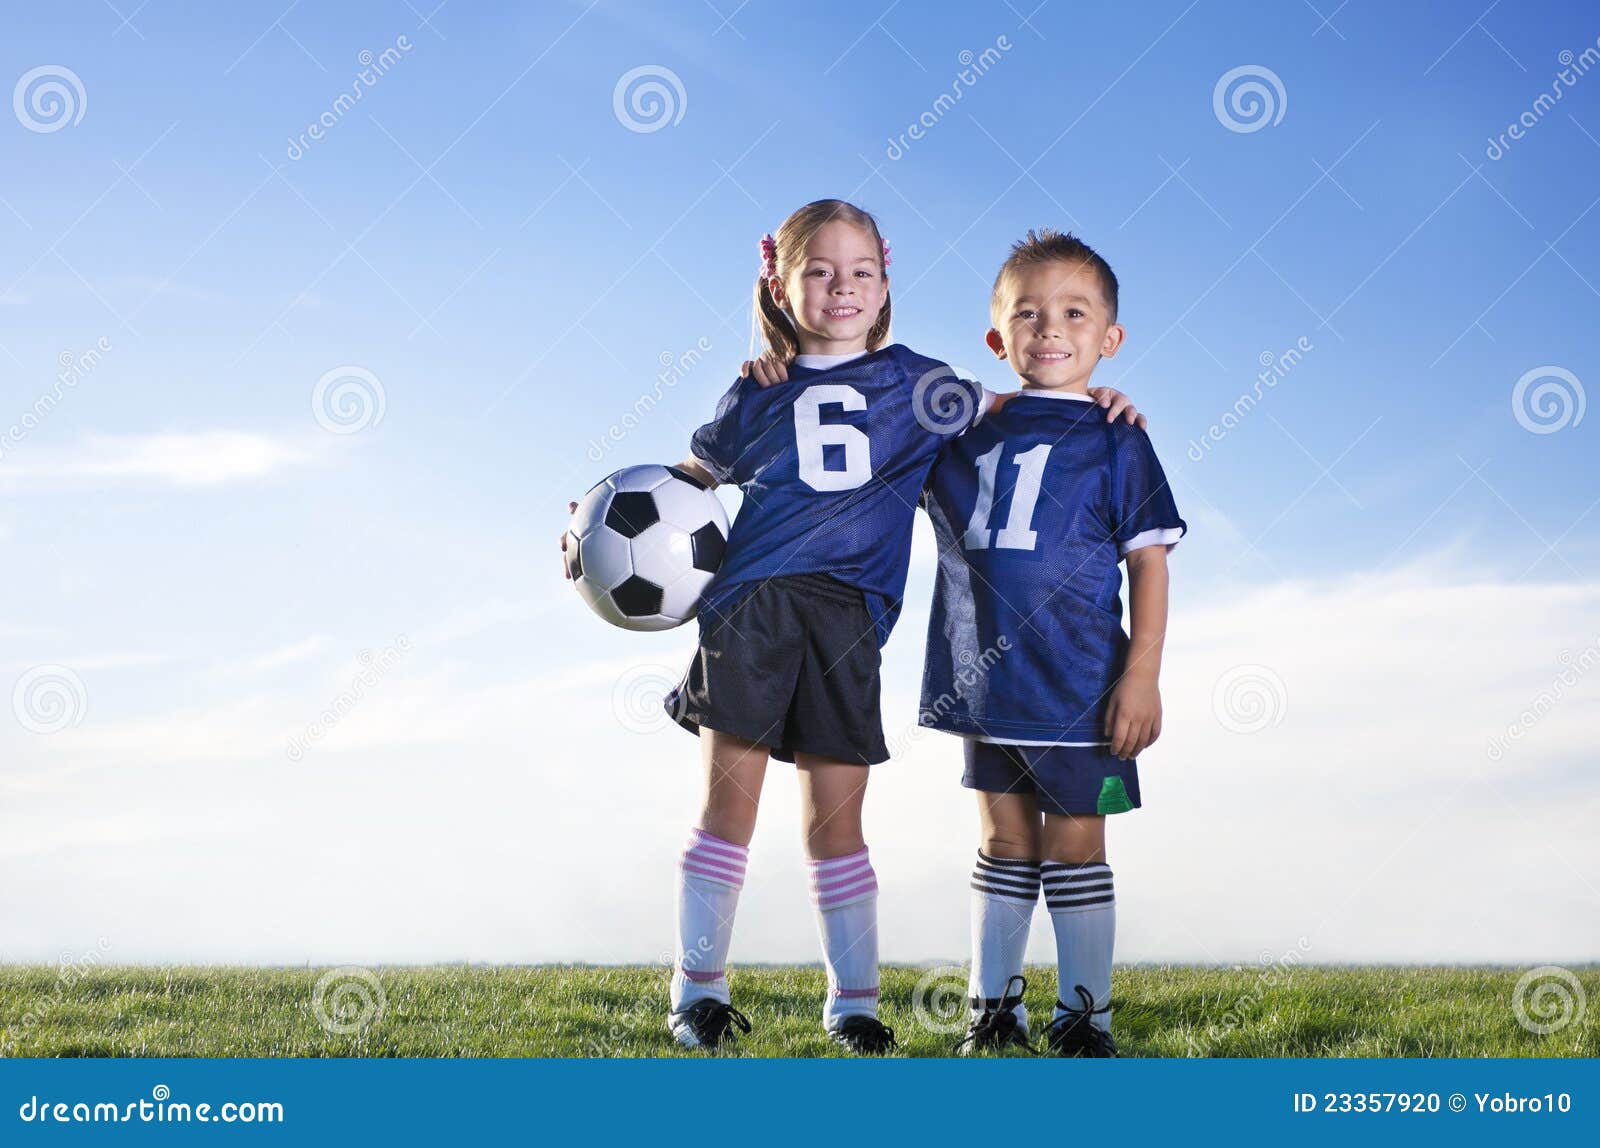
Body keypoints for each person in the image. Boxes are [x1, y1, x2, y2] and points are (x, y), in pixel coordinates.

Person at [919, 229, 1185, 1057]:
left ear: (1109, 339)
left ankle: (1084, 1019)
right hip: (986, 684)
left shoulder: (1117, 436)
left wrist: (1141, 677)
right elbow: (883, 405)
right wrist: (965, 397)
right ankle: (992, 1012)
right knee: (1001, 844)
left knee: (1076, 846)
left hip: (1082, 687)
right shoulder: (960, 433)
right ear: (997, 339)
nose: (1049, 329)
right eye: (1027, 315)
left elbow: (1149, 565)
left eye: (1074, 313)